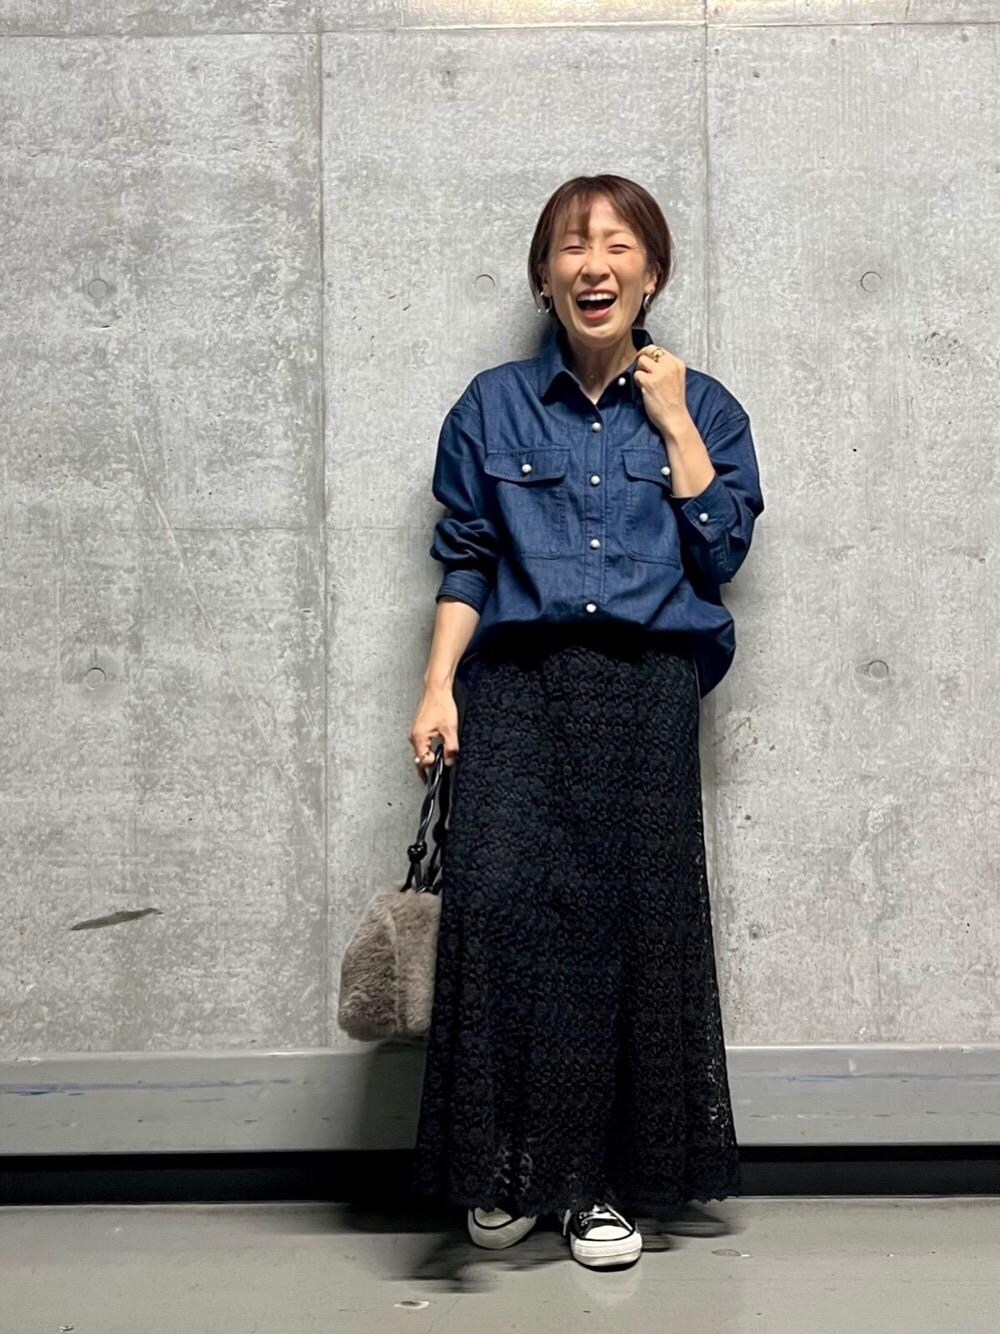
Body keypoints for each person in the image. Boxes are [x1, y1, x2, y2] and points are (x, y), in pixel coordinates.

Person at [406, 174, 764, 1272]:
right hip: (516, 686)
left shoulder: (706, 408)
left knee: (629, 931)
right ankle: (508, 1170)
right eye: (571, 246)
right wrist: (436, 686)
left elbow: (721, 547)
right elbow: (467, 559)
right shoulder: (492, 405)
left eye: (616, 246)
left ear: (651, 275)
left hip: (646, 690)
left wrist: (672, 418)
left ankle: (601, 1188)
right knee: (498, 912)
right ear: (543, 276)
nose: (593, 264)